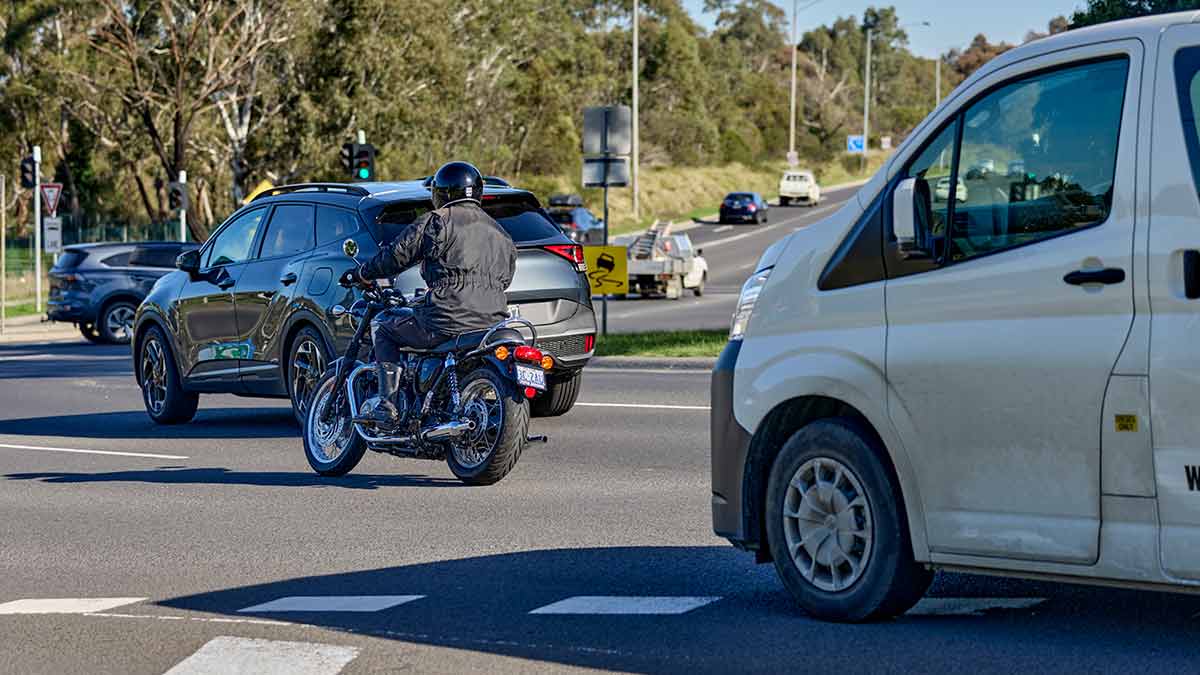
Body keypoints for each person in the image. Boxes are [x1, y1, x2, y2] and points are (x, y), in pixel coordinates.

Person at [346, 161, 517, 426]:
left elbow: (397, 255)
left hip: (445, 317)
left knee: (385, 327)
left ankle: (387, 404)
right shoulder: (502, 233)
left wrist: (363, 273)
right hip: (492, 321)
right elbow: (505, 279)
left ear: (442, 193)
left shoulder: (438, 221)